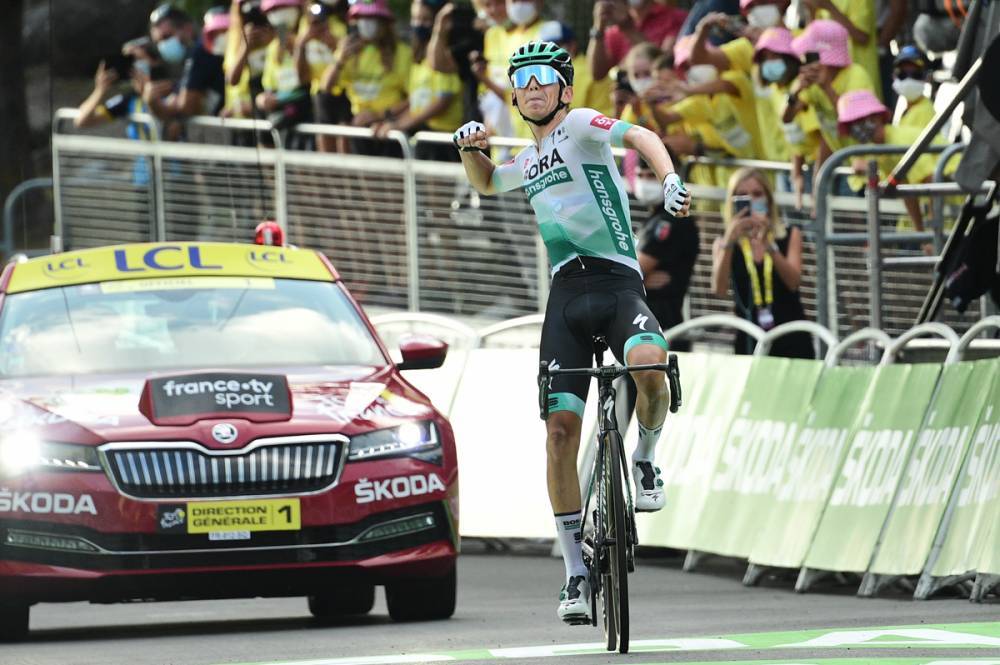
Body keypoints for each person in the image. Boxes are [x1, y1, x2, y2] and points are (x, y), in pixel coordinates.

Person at [452, 40, 691, 624]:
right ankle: (575, 573)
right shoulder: (529, 159)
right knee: (560, 434)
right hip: (565, 298)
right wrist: (469, 150)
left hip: (617, 285)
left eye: (543, 76)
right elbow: (488, 183)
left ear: (564, 89)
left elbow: (640, 136)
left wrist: (669, 179)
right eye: (521, 80)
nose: (532, 86)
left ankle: (646, 454)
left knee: (650, 364)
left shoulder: (581, 125)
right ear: (513, 95)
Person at [711, 168, 812, 358]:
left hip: (790, 334)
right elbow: (719, 289)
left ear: (768, 199)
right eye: (742, 195)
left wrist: (769, 246)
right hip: (748, 337)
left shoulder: (789, 234)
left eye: (757, 194)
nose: (750, 200)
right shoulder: (724, 243)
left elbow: (793, 282)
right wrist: (730, 240)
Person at [374, 0, 463, 161]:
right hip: (424, 136)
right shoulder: (417, 57)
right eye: (415, 18)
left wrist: (402, 124)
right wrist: (390, 121)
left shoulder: (444, 54)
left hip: (443, 139)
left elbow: (443, 101)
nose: (419, 24)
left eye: (425, 19)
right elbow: (416, 103)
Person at [321, 0, 412, 156]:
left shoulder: (402, 53)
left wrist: (379, 116)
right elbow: (325, 88)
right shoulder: (348, 51)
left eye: (372, 18)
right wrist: (340, 60)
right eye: (362, 18)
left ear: (384, 22)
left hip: (389, 127)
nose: (366, 23)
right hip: (357, 126)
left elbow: (413, 99)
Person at [783, 20, 873, 176]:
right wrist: (795, 92)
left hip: (865, 167)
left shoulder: (856, 75)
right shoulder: (813, 84)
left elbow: (855, 122)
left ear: (824, 56)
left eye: (809, 56)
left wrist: (826, 87)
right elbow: (787, 118)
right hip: (844, 164)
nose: (804, 62)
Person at [634, 167, 700, 350]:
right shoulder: (653, 219)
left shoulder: (671, 220)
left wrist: (636, 279)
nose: (645, 182)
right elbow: (632, 274)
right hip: (645, 326)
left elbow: (632, 271)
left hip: (665, 330)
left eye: (651, 175)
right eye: (640, 175)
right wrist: (642, 281)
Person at [147, 4, 226, 120]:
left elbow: (186, 108)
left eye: (166, 37)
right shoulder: (190, 56)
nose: (163, 46)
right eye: (158, 42)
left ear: (187, 29)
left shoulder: (201, 51)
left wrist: (154, 104)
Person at [298, 0, 352, 152]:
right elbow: (301, 77)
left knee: (345, 145)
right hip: (320, 94)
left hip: (346, 91)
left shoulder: (346, 21)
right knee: (325, 146)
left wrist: (333, 44)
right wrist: (301, 44)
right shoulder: (305, 22)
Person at [589, 0, 689, 82]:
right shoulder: (614, 31)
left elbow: (665, 66)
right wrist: (599, 28)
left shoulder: (676, 18)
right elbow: (597, 74)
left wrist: (628, 28)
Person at [538, 21, 613, 117]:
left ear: (571, 45)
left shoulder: (592, 71)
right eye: (542, 48)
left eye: (553, 47)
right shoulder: (543, 72)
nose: (546, 52)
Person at [223, 0, 275, 121]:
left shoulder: (276, 31)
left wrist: (273, 40)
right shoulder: (235, 39)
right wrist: (245, 48)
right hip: (250, 113)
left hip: (273, 103)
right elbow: (232, 79)